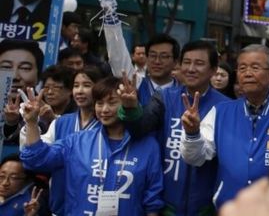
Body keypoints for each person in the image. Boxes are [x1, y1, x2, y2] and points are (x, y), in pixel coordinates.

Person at [180, 44, 269, 208]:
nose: (247, 73)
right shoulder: (221, 112)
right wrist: (192, 133)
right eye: (242, 68)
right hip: (230, 208)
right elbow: (195, 158)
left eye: (255, 67)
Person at [21, 78, 165, 215]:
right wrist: (32, 123)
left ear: (127, 103)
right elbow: (37, 159)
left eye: (112, 102)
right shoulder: (77, 141)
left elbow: (152, 199)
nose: (104, 109)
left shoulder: (148, 146)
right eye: (99, 103)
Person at [117, 40, 230, 215]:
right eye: (186, 62)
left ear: (213, 70)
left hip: (205, 206)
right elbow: (140, 128)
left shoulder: (227, 106)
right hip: (166, 203)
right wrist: (130, 108)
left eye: (199, 63)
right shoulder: (164, 96)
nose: (191, 69)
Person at [20, 66, 103, 215]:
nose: (80, 91)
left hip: (94, 204)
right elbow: (35, 156)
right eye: (76, 86)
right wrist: (31, 122)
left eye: (87, 85)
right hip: (61, 206)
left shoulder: (107, 125)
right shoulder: (60, 123)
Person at [1, 39, 43, 158]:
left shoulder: (45, 110)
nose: (14, 76)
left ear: (38, 75)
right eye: (6, 67)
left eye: (25, 68)